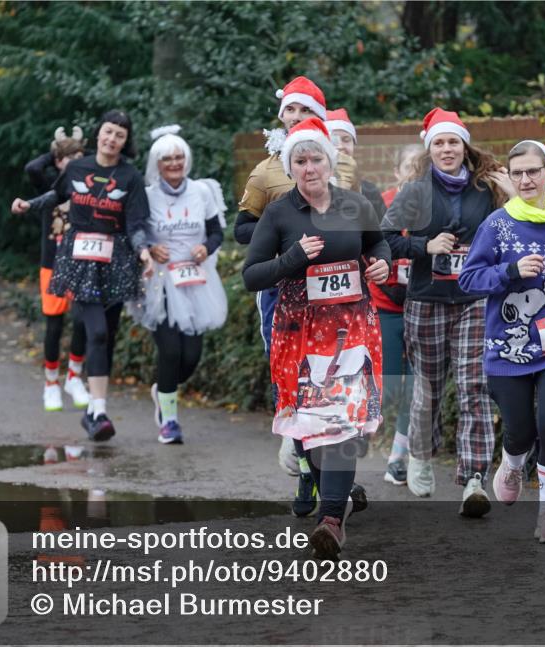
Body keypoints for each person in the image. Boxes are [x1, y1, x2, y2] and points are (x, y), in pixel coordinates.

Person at [243, 117, 389, 559]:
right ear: (291, 168)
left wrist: (378, 264)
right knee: (313, 429)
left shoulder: (356, 204)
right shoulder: (280, 213)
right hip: (300, 334)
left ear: (331, 161)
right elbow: (252, 274)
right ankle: (333, 498)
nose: (309, 167)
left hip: (352, 329)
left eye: (316, 158)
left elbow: (377, 244)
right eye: (300, 160)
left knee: (342, 423)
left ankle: (330, 519)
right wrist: (290, 258)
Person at [459, 140, 545, 544]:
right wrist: (510, 270)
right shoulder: (497, 225)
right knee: (520, 430)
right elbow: (470, 279)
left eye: (533, 171)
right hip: (508, 346)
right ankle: (512, 461)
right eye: (517, 172)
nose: (525, 179)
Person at [233, 76, 359, 516]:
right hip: (283, 291)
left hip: (338, 293)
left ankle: (338, 481)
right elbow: (242, 230)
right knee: (296, 379)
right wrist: (283, 231)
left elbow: (363, 226)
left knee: (343, 380)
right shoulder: (268, 170)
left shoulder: (341, 167)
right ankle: (308, 467)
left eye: (304, 111)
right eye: (289, 110)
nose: (295, 117)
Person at [381, 107, 514, 516]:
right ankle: (420, 455)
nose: (446, 148)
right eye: (438, 142)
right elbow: (384, 238)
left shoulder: (485, 187)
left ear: (464, 145)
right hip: (426, 299)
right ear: (430, 149)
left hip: (475, 299)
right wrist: (425, 246)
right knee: (429, 388)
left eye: (453, 141)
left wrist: (510, 190)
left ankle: (473, 478)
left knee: (475, 385)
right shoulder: (415, 190)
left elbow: (519, 224)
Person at [40, 110, 153, 440]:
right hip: (80, 261)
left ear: (125, 141)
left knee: (108, 335)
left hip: (117, 262)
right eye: (108, 132)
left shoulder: (130, 177)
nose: (112, 139)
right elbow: (55, 195)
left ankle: (93, 411)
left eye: (119, 134)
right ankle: (100, 410)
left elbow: (135, 223)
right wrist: (28, 205)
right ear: (98, 134)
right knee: (98, 333)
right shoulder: (77, 167)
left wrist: (143, 250)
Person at [129, 125, 227, 444]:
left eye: (179, 157)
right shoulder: (146, 196)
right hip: (159, 282)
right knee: (170, 351)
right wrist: (150, 248)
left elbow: (216, 231)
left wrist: (206, 248)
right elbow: (136, 231)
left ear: (187, 159)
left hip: (196, 280)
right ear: (156, 164)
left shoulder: (201, 192)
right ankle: (169, 420)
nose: (174, 163)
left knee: (190, 358)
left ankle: (163, 389)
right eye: (167, 158)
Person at [11, 127, 91, 412]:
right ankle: (50, 383)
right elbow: (32, 167)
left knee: (83, 320)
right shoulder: (48, 184)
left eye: (78, 157)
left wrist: (81, 154)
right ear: (57, 160)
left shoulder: (91, 184)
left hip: (83, 263)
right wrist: (58, 150)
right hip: (53, 264)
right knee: (55, 326)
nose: (73, 161)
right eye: (67, 158)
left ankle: (74, 376)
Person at [370, 143, 424, 485]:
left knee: (416, 388)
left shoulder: (437, 208)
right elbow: (368, 251)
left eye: (423, 167)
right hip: (387, 307)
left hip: (424, 308)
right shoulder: (382, 205)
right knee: (389, 387)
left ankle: (398, 457)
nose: (416, 173)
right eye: (410, 166)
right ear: (397, 172)